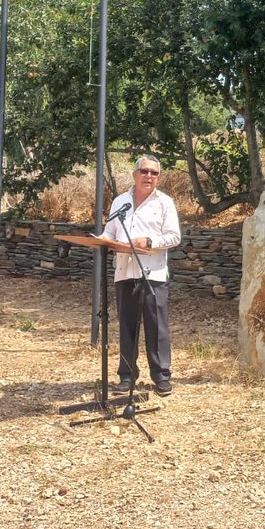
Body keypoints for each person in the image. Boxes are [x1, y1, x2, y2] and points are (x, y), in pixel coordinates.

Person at [100, 155, 182, 396]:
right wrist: (103, 240)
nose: (149, 176)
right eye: (145, 171)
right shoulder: (120, 202)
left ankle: (161, 377)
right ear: (135, 175)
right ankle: (126, 376)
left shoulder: (165, 202)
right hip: (125, 271)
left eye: (154, 173)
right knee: (126, 326)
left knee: (157, 327)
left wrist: (149, 241)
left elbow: (174, 237)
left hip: (152, 273)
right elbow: (109, 230)